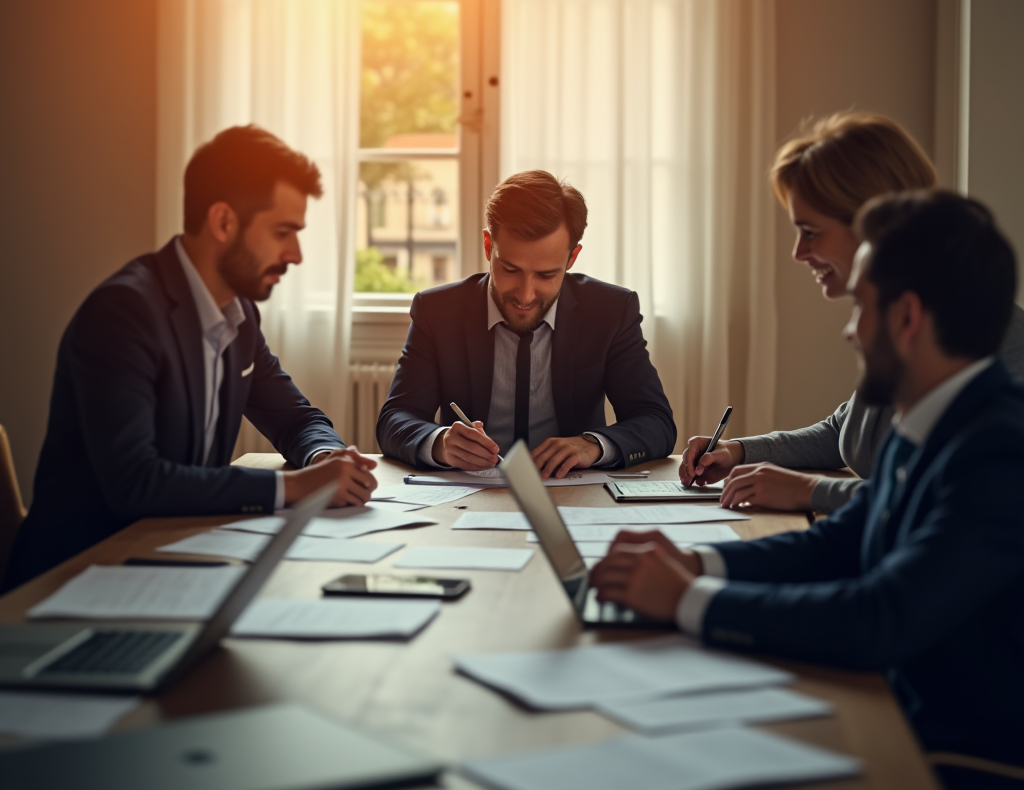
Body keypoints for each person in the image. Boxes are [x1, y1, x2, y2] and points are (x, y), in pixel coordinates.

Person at [592, 191, 1024, 790]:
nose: (851, 331)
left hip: (964, 771)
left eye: (861, 307)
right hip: (897, 719)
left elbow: (881, 617)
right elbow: (843, 543)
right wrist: (699, 564)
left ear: (907, 318)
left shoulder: (999, 449)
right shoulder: (930, 414)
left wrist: (687, 601)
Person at [4, 125, 377, 591]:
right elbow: (135, 482)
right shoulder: (123, 313)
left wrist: (323, 456)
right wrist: (297, 487)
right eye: (283, 232)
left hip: (174, 554)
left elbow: (296, 418)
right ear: (223, 222)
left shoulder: (238, 314)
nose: (296, 255)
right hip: (76, 579)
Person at [680, 112, 1024, 512]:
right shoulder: (894, 320)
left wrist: (809, 491)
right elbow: (845, 432)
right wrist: (738, 450)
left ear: (873, 221)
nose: (798, 252)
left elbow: (954, 496)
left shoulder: (987, 341)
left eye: (810, 232)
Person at [376, 170, 676, 476]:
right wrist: (440, 443)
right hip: (466, 496)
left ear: (571, 259)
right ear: (487, 246)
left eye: (546, 275)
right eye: (510, 269)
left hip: (575, 499)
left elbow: (655, 421)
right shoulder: (438, 311)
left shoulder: (610, 311)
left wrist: (593, 445)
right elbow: (396, 419)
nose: (525, 294)